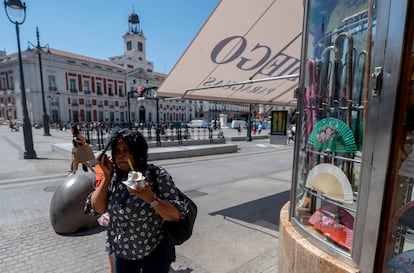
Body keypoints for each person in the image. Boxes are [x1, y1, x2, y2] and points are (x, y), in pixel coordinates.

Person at [84, 129, 188, 273]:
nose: (120, 156)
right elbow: (96, 208)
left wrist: (149, 197)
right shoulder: (114, 177)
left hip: (154, 250)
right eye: (116, 151)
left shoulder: (156, 175)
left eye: (125, 150)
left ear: (138, 152)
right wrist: (106, 177)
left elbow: (177, 215)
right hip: (123, 253)